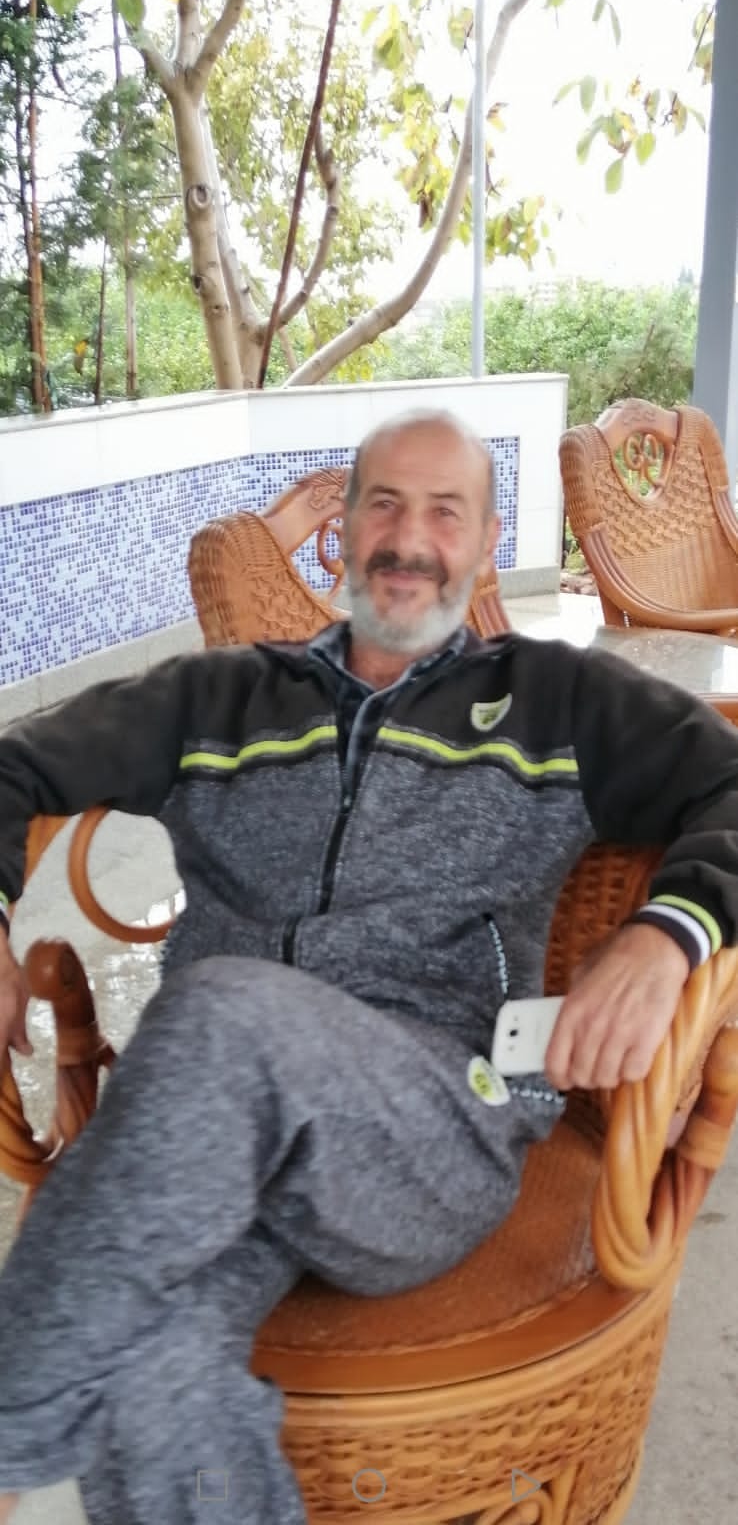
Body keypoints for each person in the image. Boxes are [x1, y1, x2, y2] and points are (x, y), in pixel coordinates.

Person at [1, 407, 738, 1525]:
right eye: (383, 504)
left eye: (446, 512)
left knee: (220, 1010)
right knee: (154, 1357)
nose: (409, 538)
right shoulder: (219, 696)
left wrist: (666, 932)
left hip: (434, 1124)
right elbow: (15, 762)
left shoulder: (557, 700)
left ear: (486, 543)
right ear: (340, 533)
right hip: (217, 1133)